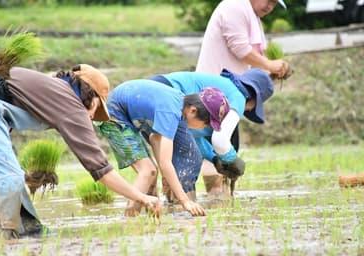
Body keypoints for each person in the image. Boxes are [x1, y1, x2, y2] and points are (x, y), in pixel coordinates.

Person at [0, 46, 161, 240]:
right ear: (91, 99)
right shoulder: (72, 106)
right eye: (96, 111)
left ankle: (20, 232)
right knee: (8, 180)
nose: (92, 118)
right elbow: (101, 170)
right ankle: (6, 236)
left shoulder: (47, 89)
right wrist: (141, 197)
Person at [94, 79, 230, 217]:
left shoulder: (178, 104)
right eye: (206, 123)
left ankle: (150, 218)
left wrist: (166, 174)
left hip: (124, 111)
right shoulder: (170, 111)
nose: (204, 128)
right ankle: (130, 219)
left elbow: (154, 138)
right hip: (114, 115)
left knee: (152, 173)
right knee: (148, 171)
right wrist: (185, 201)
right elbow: (166, 162)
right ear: (193, 110)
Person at [195, 0, 289, 194]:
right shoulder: (234, 7)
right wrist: (270, 65)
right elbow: (241, 49)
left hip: (229, 94)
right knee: (215, 150)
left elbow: (250, 60)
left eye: (274, 4)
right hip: (212, 95)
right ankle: (216, 199)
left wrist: (272, 69)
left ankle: (222, 201)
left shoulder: (252, 17)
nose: (270, 6)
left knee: (226, 148)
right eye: (268, 0)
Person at [149, 68, 274, 195]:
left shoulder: (225, 87)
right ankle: (185, 209)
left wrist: (213, 158)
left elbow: (193, 134)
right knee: (190, 158)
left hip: (151, 91)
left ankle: (160, 207)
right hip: (167, 93)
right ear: (253, 100)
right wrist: (232, 159)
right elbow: (220, 140)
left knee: (159, 167)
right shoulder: (239, 97)